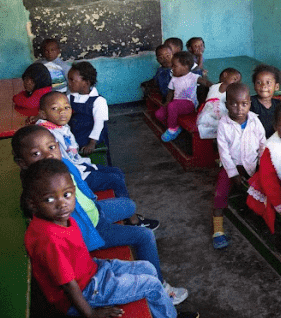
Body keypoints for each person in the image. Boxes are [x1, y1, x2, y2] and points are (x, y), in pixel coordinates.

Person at [21, 159, 206, 318]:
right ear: (33, 204)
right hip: (86, 291)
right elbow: (68, 284)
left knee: (147, 268)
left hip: (92, 271)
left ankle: (167, 316)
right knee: (150, 285)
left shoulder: (59, 219)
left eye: (67, 194)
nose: (62, 204)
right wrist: (90, 313)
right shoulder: (49, 239)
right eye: (50, 199)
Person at [12, 126, 188, 303]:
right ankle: (162, 287)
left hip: (95, 211)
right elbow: (67, 236)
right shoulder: (42, 194)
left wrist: (93, 201)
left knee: (129, 205)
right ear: (22, 162)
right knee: (145, 236)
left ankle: (131, 222)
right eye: (36, 153)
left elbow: (81, 188)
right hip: (92, 229)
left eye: (51, 147)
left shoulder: (60, 167)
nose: (48, 155)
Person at [36, 92, 132, 201]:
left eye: (66, 107)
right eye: (54, 108)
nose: (62, 111)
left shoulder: (60, 127)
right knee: (116, 179)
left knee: (117, 172)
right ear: (43, 114)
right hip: (73, 178)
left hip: (80, 166)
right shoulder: (48, 136)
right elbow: (64, 166)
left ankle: (121, 205)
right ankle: (130, 216)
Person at [213, 83, 266, 249]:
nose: (239, 108)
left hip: (252, 165)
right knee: (220, 193)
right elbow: (224, 153)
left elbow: (262, 145)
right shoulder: (223, 124)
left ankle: (259, 218)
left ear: (249, 103)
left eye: (244, 104)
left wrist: (261, 165)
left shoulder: (255, 121)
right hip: (231, 167)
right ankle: (218, 229)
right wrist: (233, 174)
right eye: (233, 104)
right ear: (227, 104)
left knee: (261, 191)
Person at [246, 101, 281, 233]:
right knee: (277, 221)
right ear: (275, 126)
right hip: (276, 187)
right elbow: (269, 182)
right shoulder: (270, 150)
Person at [156, 51, 208, 142]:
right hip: (176, 104)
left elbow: (206, 82)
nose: (172, 68)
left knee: (172, 106)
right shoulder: (174, 78)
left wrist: (218, 87)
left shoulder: (193, 77)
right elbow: (171, 92)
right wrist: (167, 102)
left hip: (189, 104)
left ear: (186, 66)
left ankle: (172, 130)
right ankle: (176, 127)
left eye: (174, 66)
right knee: (159, 114)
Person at [67, 61, 108, 157]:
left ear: (86, 82)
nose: (69, 83)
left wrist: (92, 143)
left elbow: (99, 124)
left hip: (88, 137)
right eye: (68, 80)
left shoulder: (98, 101)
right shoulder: (70, 97)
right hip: (75, 135)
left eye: (72, 80)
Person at [197, 68, 242, 139]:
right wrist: (203, 76)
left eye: (238, 82)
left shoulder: (231, 92)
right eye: (235, 79)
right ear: (225, 75)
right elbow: (206, 83)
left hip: (221, 114)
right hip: (209, 111)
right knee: (207, 119)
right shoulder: (214, 86)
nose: (236, 83)